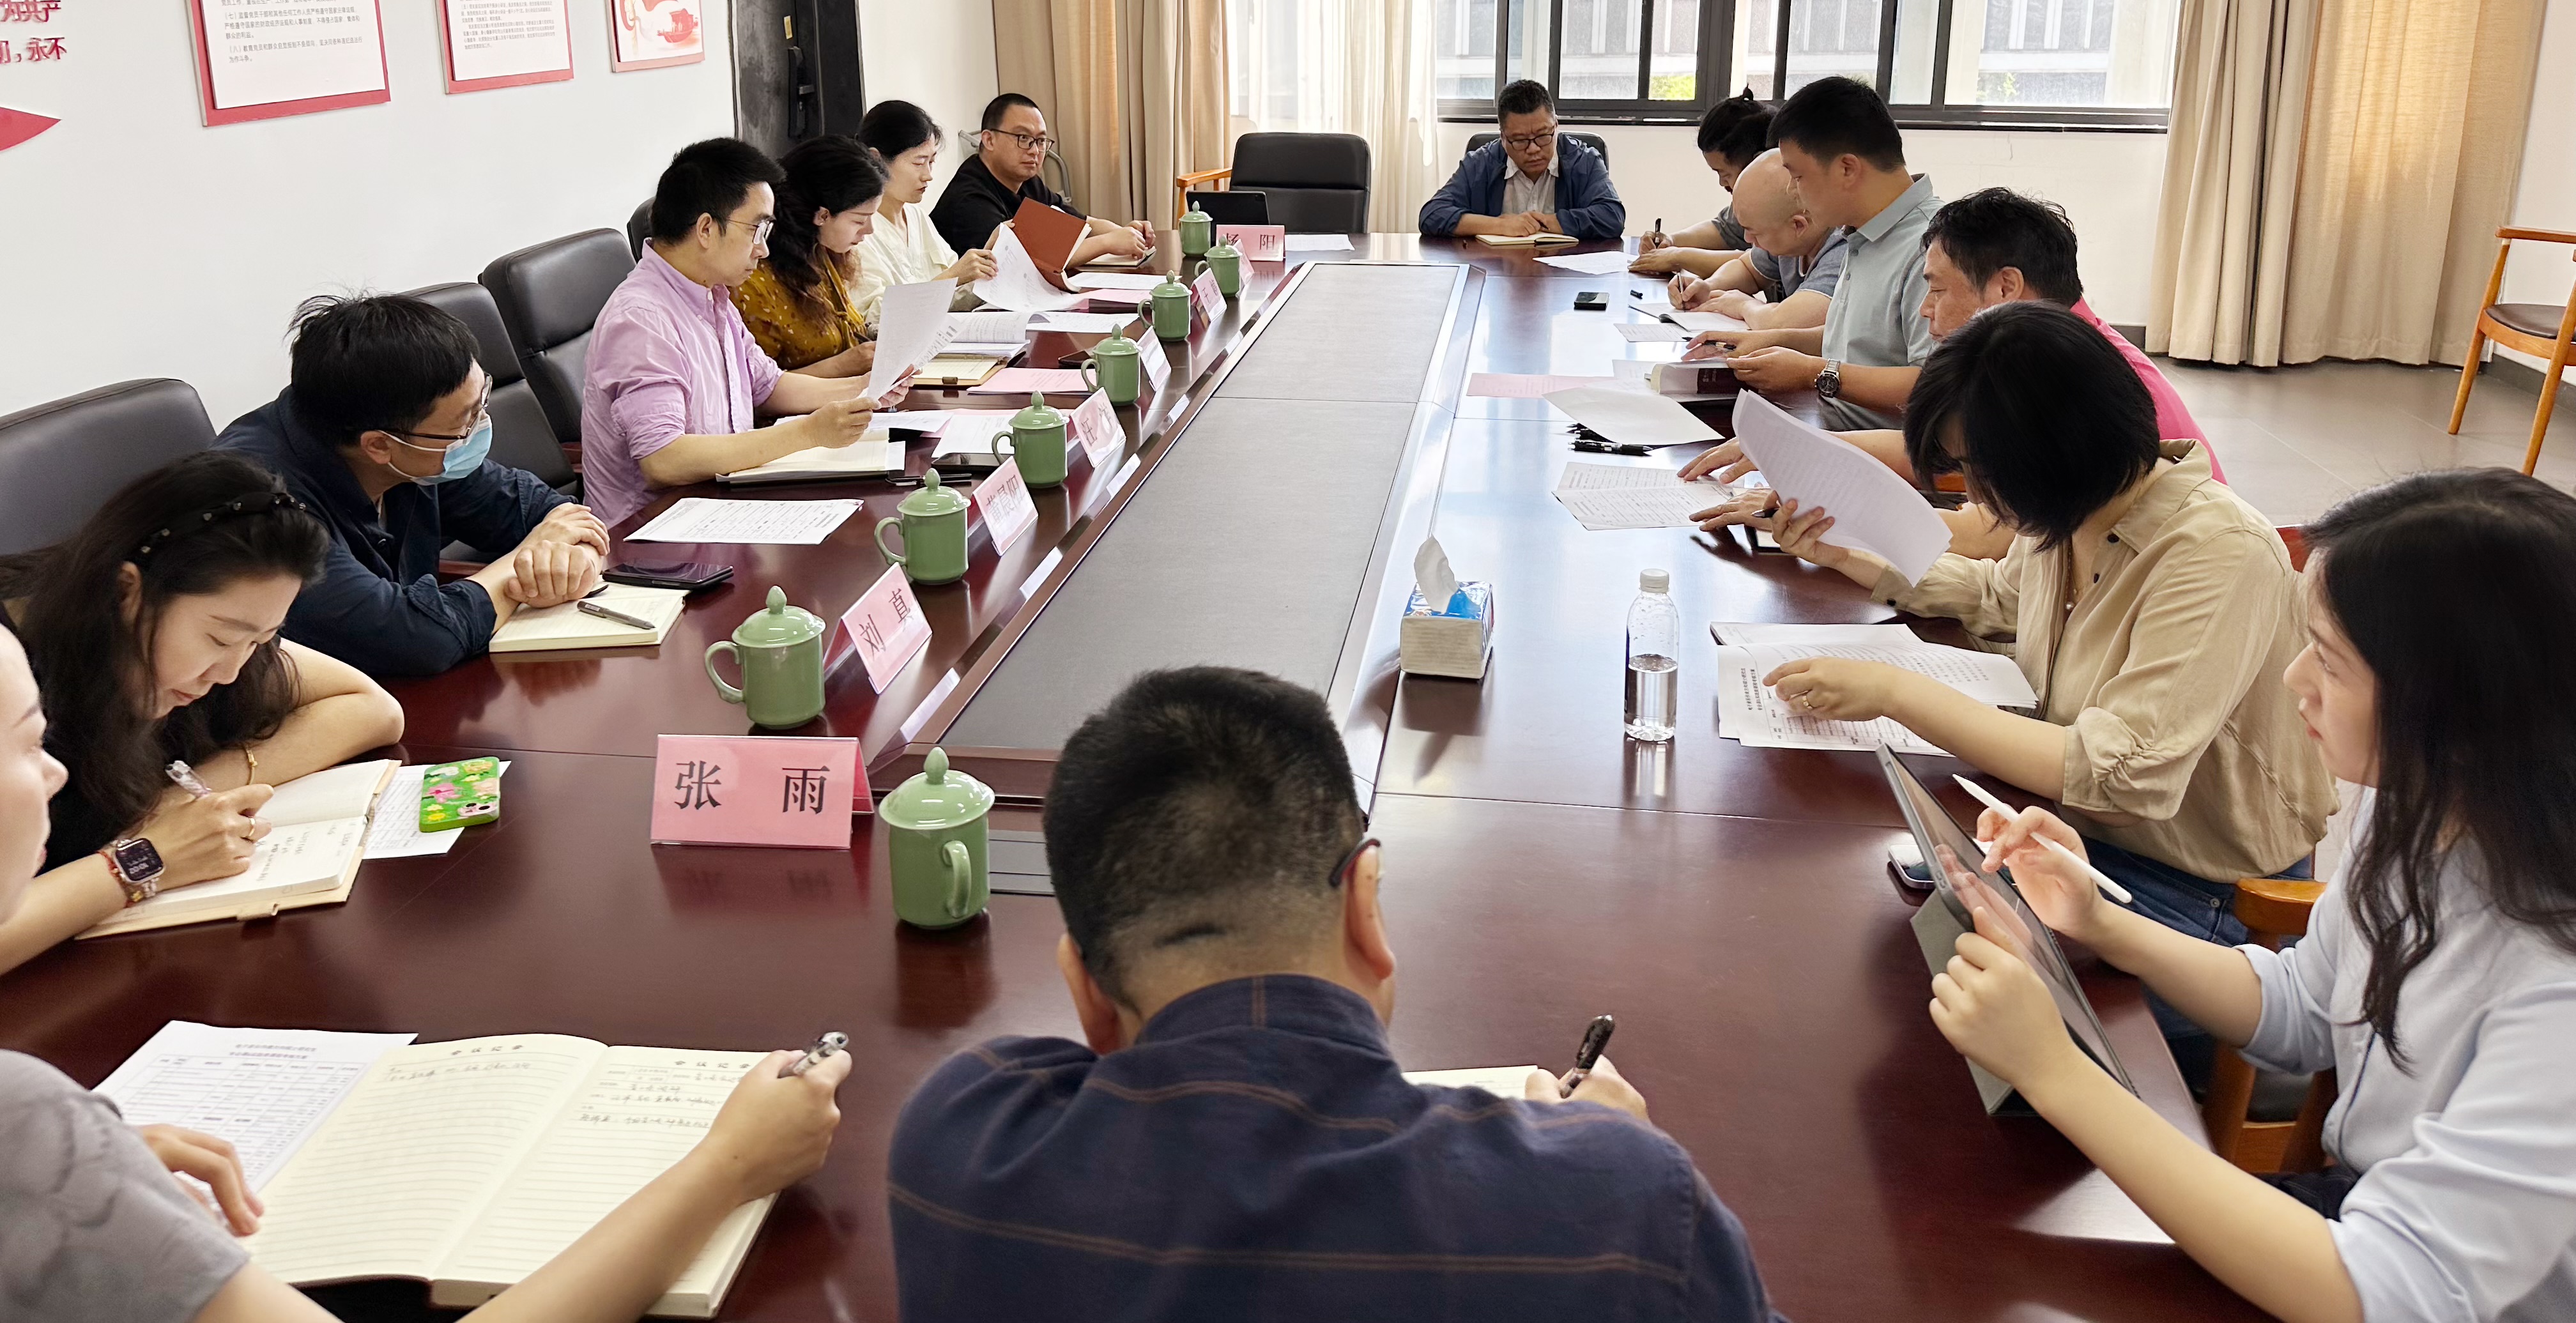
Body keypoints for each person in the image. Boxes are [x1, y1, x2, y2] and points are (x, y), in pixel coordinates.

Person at [0, 621, 852, 1322]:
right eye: (32, 743)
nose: (60, 774)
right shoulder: (26, 1125)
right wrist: (730, 1164)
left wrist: (79, 1178)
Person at [889, 666, 1781, 1320]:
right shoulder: (1621, 1208)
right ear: (1366, 905)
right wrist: (1610, 1152)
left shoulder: (961, 1152)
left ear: (1084, 989)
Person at [1931, 468, 2576, 1323]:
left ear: (2459, 709)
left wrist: (2055, 1073)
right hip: (2367, 1225)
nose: (2295, 679)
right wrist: (2100, 920)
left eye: (2331, 661)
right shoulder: (2426, 804)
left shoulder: (2554, 984)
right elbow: (2306, 1005)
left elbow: (2394, 1293)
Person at [1756, 303, 2333, 1062]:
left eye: (1981, 471)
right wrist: (1846, 554)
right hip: (2074, 840)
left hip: (2201, 899)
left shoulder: (2218, 552)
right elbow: (1999, 599)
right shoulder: (2080, 509)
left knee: (1938, 1000)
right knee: (1885, 948)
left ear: (2056, 452)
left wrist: (1898, 693)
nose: (1975, 496)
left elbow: (2118, 773)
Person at [0, 452, 403, 974]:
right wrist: (147, 858)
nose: (232, 672)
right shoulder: (11, 668)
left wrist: (183, 802)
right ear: (126, 591)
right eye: (220, 638)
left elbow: (372, 708)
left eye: (261, 640)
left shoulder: (203, 642)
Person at [1683, 188, 2226, 556]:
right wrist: (1800, 451)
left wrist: (1825, 510)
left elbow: (1993, 535)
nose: (1925, 311)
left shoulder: (2072, 380)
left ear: (2006, 287)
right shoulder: (2034, 356)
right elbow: (1939, 458)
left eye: (1938, 290)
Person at [215, 294, 611, 677]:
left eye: (481, 403)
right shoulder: (261, 505)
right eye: (465, 422)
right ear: (379, 446)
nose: (479, 426)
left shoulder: (413, 445)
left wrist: (574, 562)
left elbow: (554, 514)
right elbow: (412, 640)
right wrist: (521, 565)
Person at [580, 137, 910, 531]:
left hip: (719, 506)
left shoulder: (712, 295)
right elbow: (664, 459)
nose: (763, 250)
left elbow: (768, 387)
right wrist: (808, 433)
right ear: (706, 229)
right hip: (652, 533)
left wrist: (866, 388)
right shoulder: (642, 319)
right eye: (757, 229)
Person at [1689, 77, 1935, 429]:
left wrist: (1811, 373)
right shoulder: (1865, 231)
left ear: (1847, 169)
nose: (1793, 190)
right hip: (1832, 429)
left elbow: (1937, 387)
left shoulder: (1933, 247)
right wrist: (1768, 342)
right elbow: (1855, 346)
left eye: (1798, 176)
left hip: (1874, 451)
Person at [928, 94, 1153, 266]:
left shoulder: (1027, 181)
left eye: (1041, 141)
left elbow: (1083, 224)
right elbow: (1025, 261)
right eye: (1023, 138)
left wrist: (1126, 233)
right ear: (989, 140)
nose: (1035, 150)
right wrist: (1108, 243)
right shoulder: (970, 198)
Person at [731, 134, 884, 378]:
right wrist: (842, 366)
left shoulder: (819, 252)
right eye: (860, 220)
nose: (870, 230)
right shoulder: (753, 282)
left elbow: (848, 328)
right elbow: (755, 388)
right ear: (822, 215)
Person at [1655, 149, 1844, 333]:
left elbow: (1784, 323)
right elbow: (1748, 269)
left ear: (1798, 226)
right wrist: (1708, 287)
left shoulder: (1842, 249)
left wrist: (1743, 305)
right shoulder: (1792, 237)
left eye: (1755, 232)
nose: (1747, 239)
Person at [1417, 80, 1627, 243]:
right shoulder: (1481, 163)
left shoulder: (1584, 161)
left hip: (1564, 276)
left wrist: (1548, 222)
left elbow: (1612, 217)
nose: (1533, 149)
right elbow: (1432, 215)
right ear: (1503, 137)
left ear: (1556, 125)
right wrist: (1500, 225)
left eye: (1543, 136)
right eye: (1520, 140)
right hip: (1496, 273)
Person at [850, 100, 997, 323]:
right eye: (919, 163)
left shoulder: (917, 217)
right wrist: (953, 277)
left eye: (932, 162)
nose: (928, 175)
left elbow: (955, 296)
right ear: (876, 159)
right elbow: (872, 317)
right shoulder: (857, 229)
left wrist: (990, 263)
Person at [1632, 88, 1771, 277]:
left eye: (1724, 173)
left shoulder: (1780, 204)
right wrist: (1671, 240)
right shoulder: (1751, 198)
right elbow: (1724, 230)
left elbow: (1756, 263)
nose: (1722, 183)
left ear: (1757, 162)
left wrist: (1678, 257)